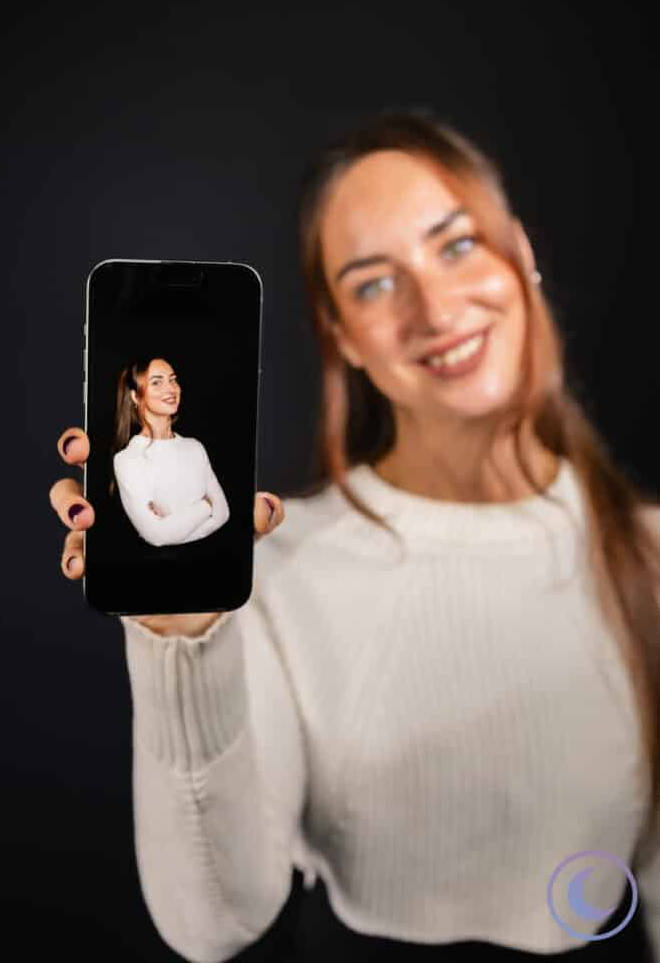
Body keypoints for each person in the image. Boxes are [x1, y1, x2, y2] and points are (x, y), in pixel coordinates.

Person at [49, 111, 660, 962]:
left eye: (456, 245)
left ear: (518, 252)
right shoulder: (276, 569)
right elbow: (214, 923)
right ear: (340, 334)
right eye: (373, 284)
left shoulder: (649, 554)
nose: (435, 308)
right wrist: (180, 641)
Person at [109, 357, 230, 547]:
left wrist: (174, 520)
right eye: (157, 382)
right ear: (135, 396)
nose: (171, 388)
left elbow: (223, 514)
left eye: (173, 379)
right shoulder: (128, 459)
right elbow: (158, 536)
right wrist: (206, 504)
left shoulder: (194, 447)